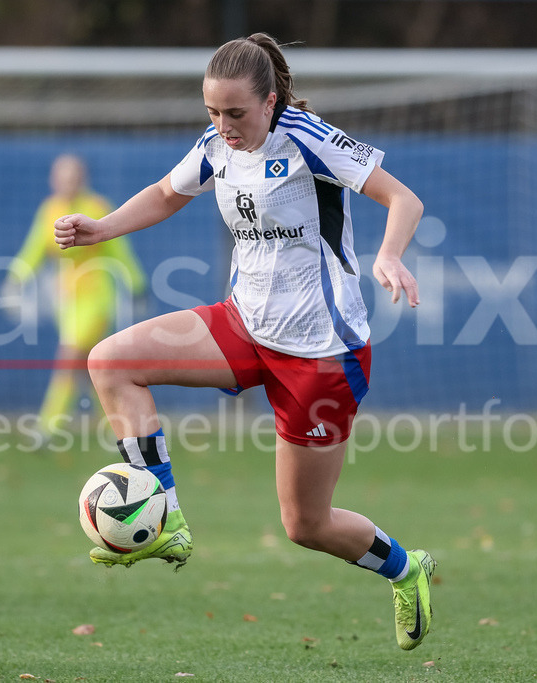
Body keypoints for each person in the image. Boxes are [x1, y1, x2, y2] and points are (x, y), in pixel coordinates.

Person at [55, 34, 435, 650]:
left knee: (306, 524)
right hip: (244, 326)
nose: (223, 126)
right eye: (212, 112)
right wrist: (101, 229)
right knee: (112, 362)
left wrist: (389, 255)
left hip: (321, 354)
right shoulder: (216, 146)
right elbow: (166, 193)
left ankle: (405, 569)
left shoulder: (307, 138)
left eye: (235, 113)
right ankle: (165, 517)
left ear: (270, 101)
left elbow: (403, 199)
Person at [1, 153, 145, 440]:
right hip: (66, 302)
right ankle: (119, 428)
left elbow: (119, 250)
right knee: (90, 368)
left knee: (68, 359)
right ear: (53, 180)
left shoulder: (96, 207)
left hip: (96, 299)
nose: (67, 183)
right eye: (61, 177)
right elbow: (34, 249)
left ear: (82, 179)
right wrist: (14, 279)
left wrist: (137, 285)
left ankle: (47, 427)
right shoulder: (49, 210)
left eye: (73, 177)